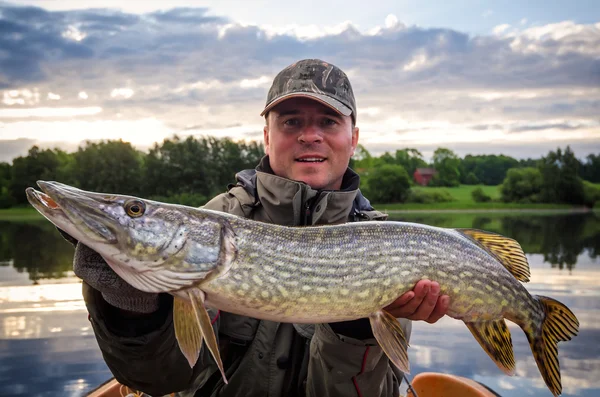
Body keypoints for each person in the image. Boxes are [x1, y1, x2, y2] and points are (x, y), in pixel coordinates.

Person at [69, 59, 450, 397]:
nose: (309, 135)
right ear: (267, 137)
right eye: (291, 122)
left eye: (328, 121)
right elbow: (160, 382)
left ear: (354, 138)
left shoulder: (387, 245)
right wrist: (130, 310)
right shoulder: (213, 222)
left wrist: (357, 329)